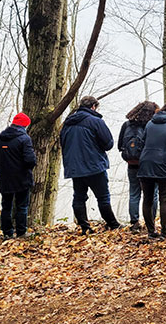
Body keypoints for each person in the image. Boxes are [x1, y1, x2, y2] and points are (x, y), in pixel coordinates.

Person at [60, 96, 121, 233]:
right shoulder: (95, 121)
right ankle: (113, 224)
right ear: (93, 106)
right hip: (94, 166)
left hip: (75, 167)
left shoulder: (67, 123)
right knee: (103, 197)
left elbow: (62, 143)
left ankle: (85, 227)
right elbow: (108, 144)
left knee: (79, 197)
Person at [0, 113, 36, 239]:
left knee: (6, 206)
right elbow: (30, 160)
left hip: (5, 178)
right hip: (22, 178)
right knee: (22, 206)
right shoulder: (24, 139)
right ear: (25, 125)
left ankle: (7, 233)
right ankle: (21, 232)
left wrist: (1, 166)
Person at [137, 101, 166, 239]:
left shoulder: (150, 123)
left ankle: (151, 231)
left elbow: (142, 142)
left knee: (147, 199)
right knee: (164, 198)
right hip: (164, 164)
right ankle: (164, 231)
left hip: (145, 163)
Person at [118, 101, 158, 232]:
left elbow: (120, 146)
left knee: (134, 193)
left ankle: (134, 223)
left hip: (132, 164)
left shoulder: (126, 125)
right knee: (153, 194)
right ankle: (150, 221)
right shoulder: (150, 126)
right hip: (147, 165)